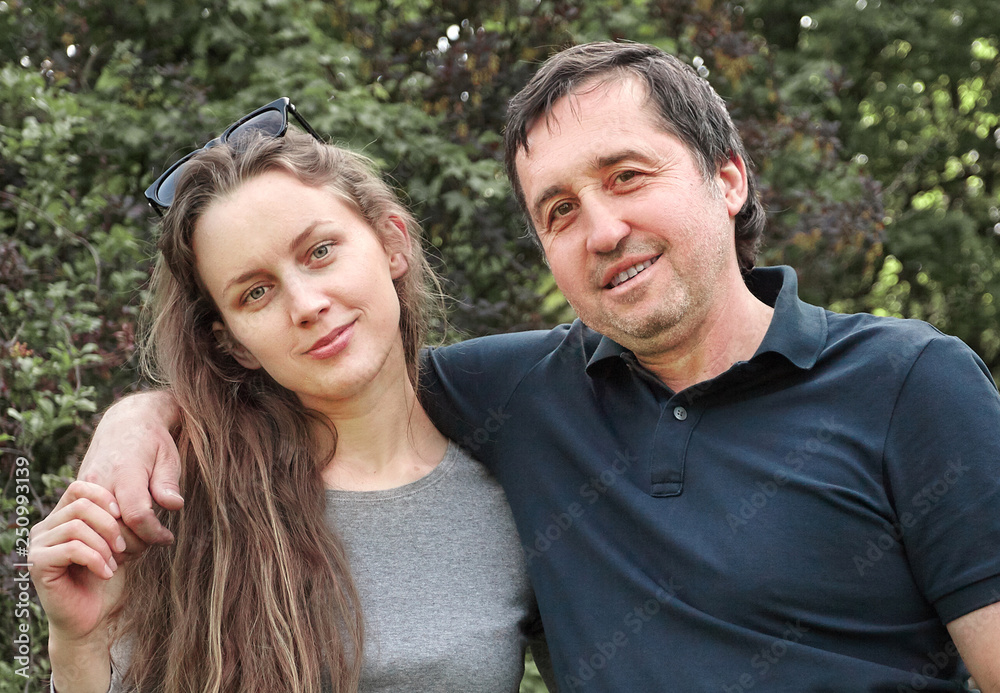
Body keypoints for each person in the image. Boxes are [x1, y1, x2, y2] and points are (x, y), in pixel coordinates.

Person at [73, 42, 1000, 691]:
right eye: (558, 210)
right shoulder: (523, 395)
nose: (601, 229)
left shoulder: (912, 383)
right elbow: (329, 369)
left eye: (627, 175)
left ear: (728, 176)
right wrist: (138, 421)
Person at [29, 106, 549, 693]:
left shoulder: (515, 489)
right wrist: (79, 650)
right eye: (255, 292)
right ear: (235, 344)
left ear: (390, 242)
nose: (305, 304)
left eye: (320, 252)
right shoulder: (175, 505)